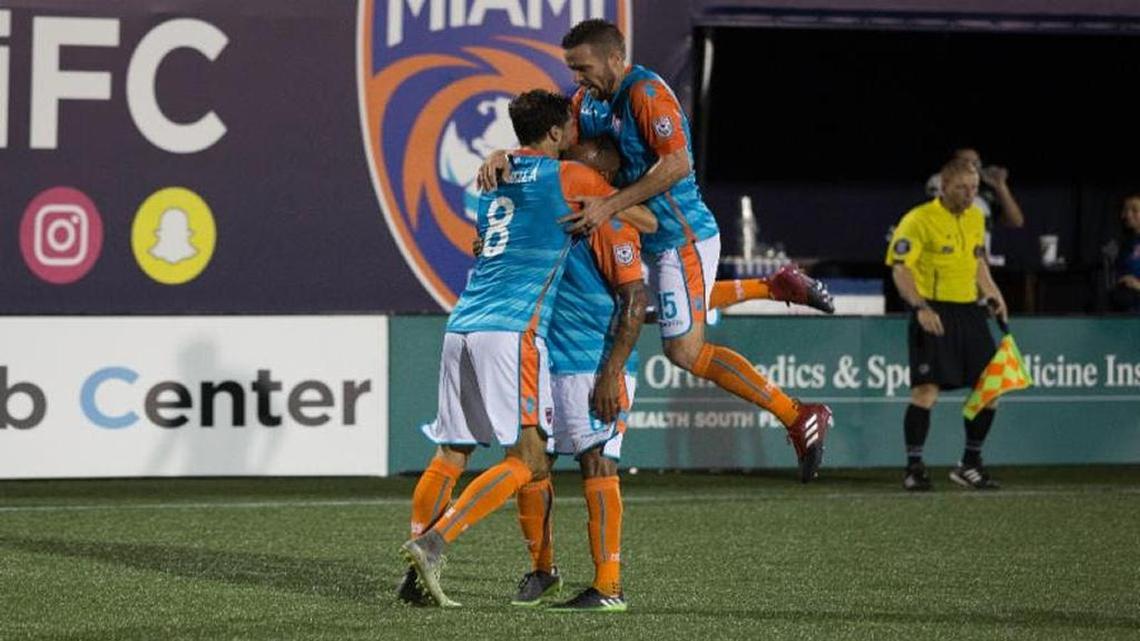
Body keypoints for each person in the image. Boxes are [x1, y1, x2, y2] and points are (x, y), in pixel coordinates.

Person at [480, 19, 834, 482]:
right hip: (644, 234)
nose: (577, 79)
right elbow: (555, 138)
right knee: (645, 307)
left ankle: (797, 414)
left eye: (583, 67)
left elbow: (678, 163)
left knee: (683, 350)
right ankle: (772, 285)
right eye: (571, 69)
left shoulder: (646, 94)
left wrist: (610, 204)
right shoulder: (589, 100)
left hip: (680, 239)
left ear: (613, 58)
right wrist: (503, 155)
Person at [398, 89, 618, 608]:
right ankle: (434, 543)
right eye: (570, 130)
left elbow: (497, 236)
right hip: (514, 331)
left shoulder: (493, 173)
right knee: (529, 458)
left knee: (451, 451)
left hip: (463, 323)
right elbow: (633, 214)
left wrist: (501, 155)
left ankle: (413, 579)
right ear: (557, 133)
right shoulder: (571, 178)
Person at [509, 137, 649, 613]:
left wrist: (612, 374)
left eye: (581, 170)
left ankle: (609, 586)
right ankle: (542, 569)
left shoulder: (611, 225)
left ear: (603, 179)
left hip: (594, 364)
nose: (570, 176)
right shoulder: (556, 217)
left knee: (598, 464)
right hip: (546, 356)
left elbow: (636, 301)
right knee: (531, 460)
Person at [886, 157, 1010, 491]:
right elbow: (901, 269)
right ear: (944, 187)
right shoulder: (918, 220)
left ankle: (969, 464)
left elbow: (977, 261)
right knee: (926, 391)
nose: (969, 195)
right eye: (962, 188)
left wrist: (994, 294)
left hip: (970, 311)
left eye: (973, 188)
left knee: (990, 390)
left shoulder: (975, 218)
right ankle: (914, 468)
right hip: (934, 310)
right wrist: (921, 307)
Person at [1107, 193, 1140, 312]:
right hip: (1124, 313)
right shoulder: (1122, 243)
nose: (1128, 215)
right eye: (1126, 210)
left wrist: (1138, 285)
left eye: (1135, 210)